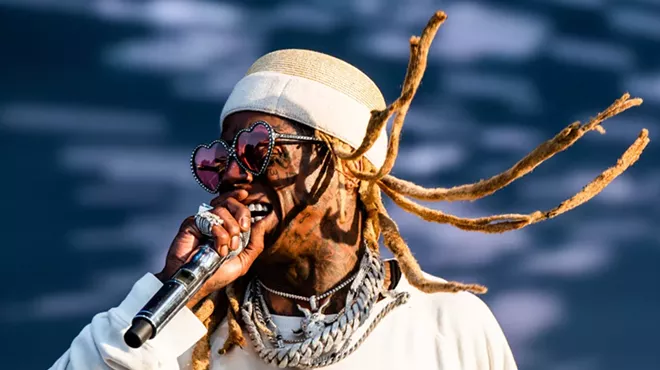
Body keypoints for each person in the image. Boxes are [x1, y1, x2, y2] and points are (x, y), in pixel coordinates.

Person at [48, 10, 649, 370]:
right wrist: (167, 293)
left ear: (348, 168)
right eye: (220, 159)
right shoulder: (185, 333)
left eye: (260, 148)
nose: (234, 173)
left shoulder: (447, 325)